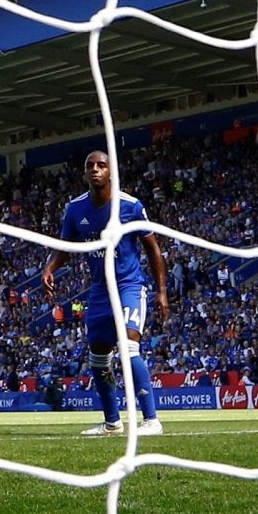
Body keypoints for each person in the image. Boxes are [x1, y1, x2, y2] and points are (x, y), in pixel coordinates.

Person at [44, 149, 168, 438]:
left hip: (129, 286)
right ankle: (112, 422)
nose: (96, 169)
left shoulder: (131, 206)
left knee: (128, 347)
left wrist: (161, 291)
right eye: (91, 165)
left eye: (101, 165)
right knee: (99, 358)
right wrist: (50, 267)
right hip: (99, 290)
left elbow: (153, 249)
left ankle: (151, 420)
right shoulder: (75, 209)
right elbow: (65, 247)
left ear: (111, 171)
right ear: (85, 172)